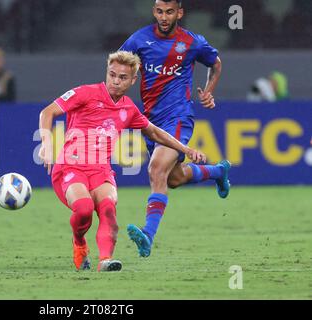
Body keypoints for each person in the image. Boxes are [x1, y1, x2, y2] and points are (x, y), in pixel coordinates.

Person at [38, 51, 206, 272]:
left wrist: (184, 149)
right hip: (71, 167)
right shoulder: (85, 93)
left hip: (100, 171)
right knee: (85, 208)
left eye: (123, 77)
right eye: (112, 75)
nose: (116, 81)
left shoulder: (128, 109)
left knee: (108, 208)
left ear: (133, 80)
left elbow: (155, 133)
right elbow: (47, 112)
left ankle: (105, 260)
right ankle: (79, 242)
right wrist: (47, 143)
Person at [119, 0, 231, 258]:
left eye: (170, 11)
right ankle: (217, 171)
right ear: (154, 12)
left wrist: (209, 93)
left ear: (179, 12)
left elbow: (216, 64)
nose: (164, 17)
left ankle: (147, 234)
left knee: (156, 168)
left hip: (178, 117)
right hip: (150, 123)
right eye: (159, 11)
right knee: (173, 178)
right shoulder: (138, 40)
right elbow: (119, 66)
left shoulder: (193, 42)